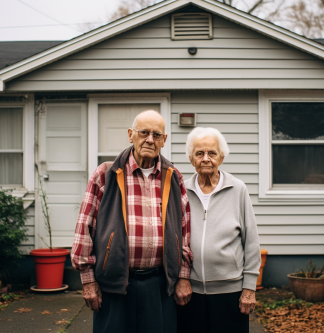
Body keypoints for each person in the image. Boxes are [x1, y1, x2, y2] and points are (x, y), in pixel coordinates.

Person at [71, 110, 193, 333]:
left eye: (157, 135)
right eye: (144, 132)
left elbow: (184, 231)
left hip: (160, 284)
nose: (150, 139)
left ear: (164, 140)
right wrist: (88, 281)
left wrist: (183, 276)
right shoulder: (106, 173)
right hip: (115, 285)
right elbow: (84, 227)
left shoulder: (173, 176)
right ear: (131, 135)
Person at [177, 127, 261, 333]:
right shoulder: (181, 191)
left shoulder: (238, 189)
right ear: (191, 159)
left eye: (211, 153)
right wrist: (181, 278)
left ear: (221, 158)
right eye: (199, 153)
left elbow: (251, 240)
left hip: (230, 291)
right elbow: (175, 240)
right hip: (190, 291)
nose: (206, 158)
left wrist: (249, 288)